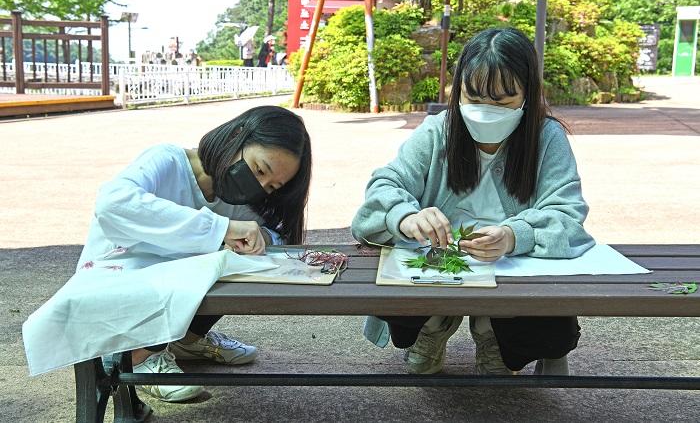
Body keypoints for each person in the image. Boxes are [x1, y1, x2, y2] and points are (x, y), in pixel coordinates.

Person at [351, 27, 594, 376]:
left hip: (511, 271)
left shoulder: (546, 137)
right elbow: (384, 187)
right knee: (398, 292)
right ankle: (432, 328)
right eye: (474, 98)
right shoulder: (438, 130)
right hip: (438, 268)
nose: (486, 111)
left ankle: (492, 332)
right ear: (457, 91)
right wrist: (405, 217)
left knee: (550, 329)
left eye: (503, 102)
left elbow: (568, 214)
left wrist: (514, 236)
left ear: (528, 94)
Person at [76, 105, 312, 401]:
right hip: (118, 279)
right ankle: (138, 355)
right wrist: (221, 229)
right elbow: (113, 203)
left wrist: (259, 236)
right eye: (260, 170)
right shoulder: (168, 160)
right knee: (196, 262)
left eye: (272, 185)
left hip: (170, 292)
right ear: (238, 136)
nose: (261, 187)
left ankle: (187, 339)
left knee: (242, 261)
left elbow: (274, 234)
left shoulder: (240, 199)